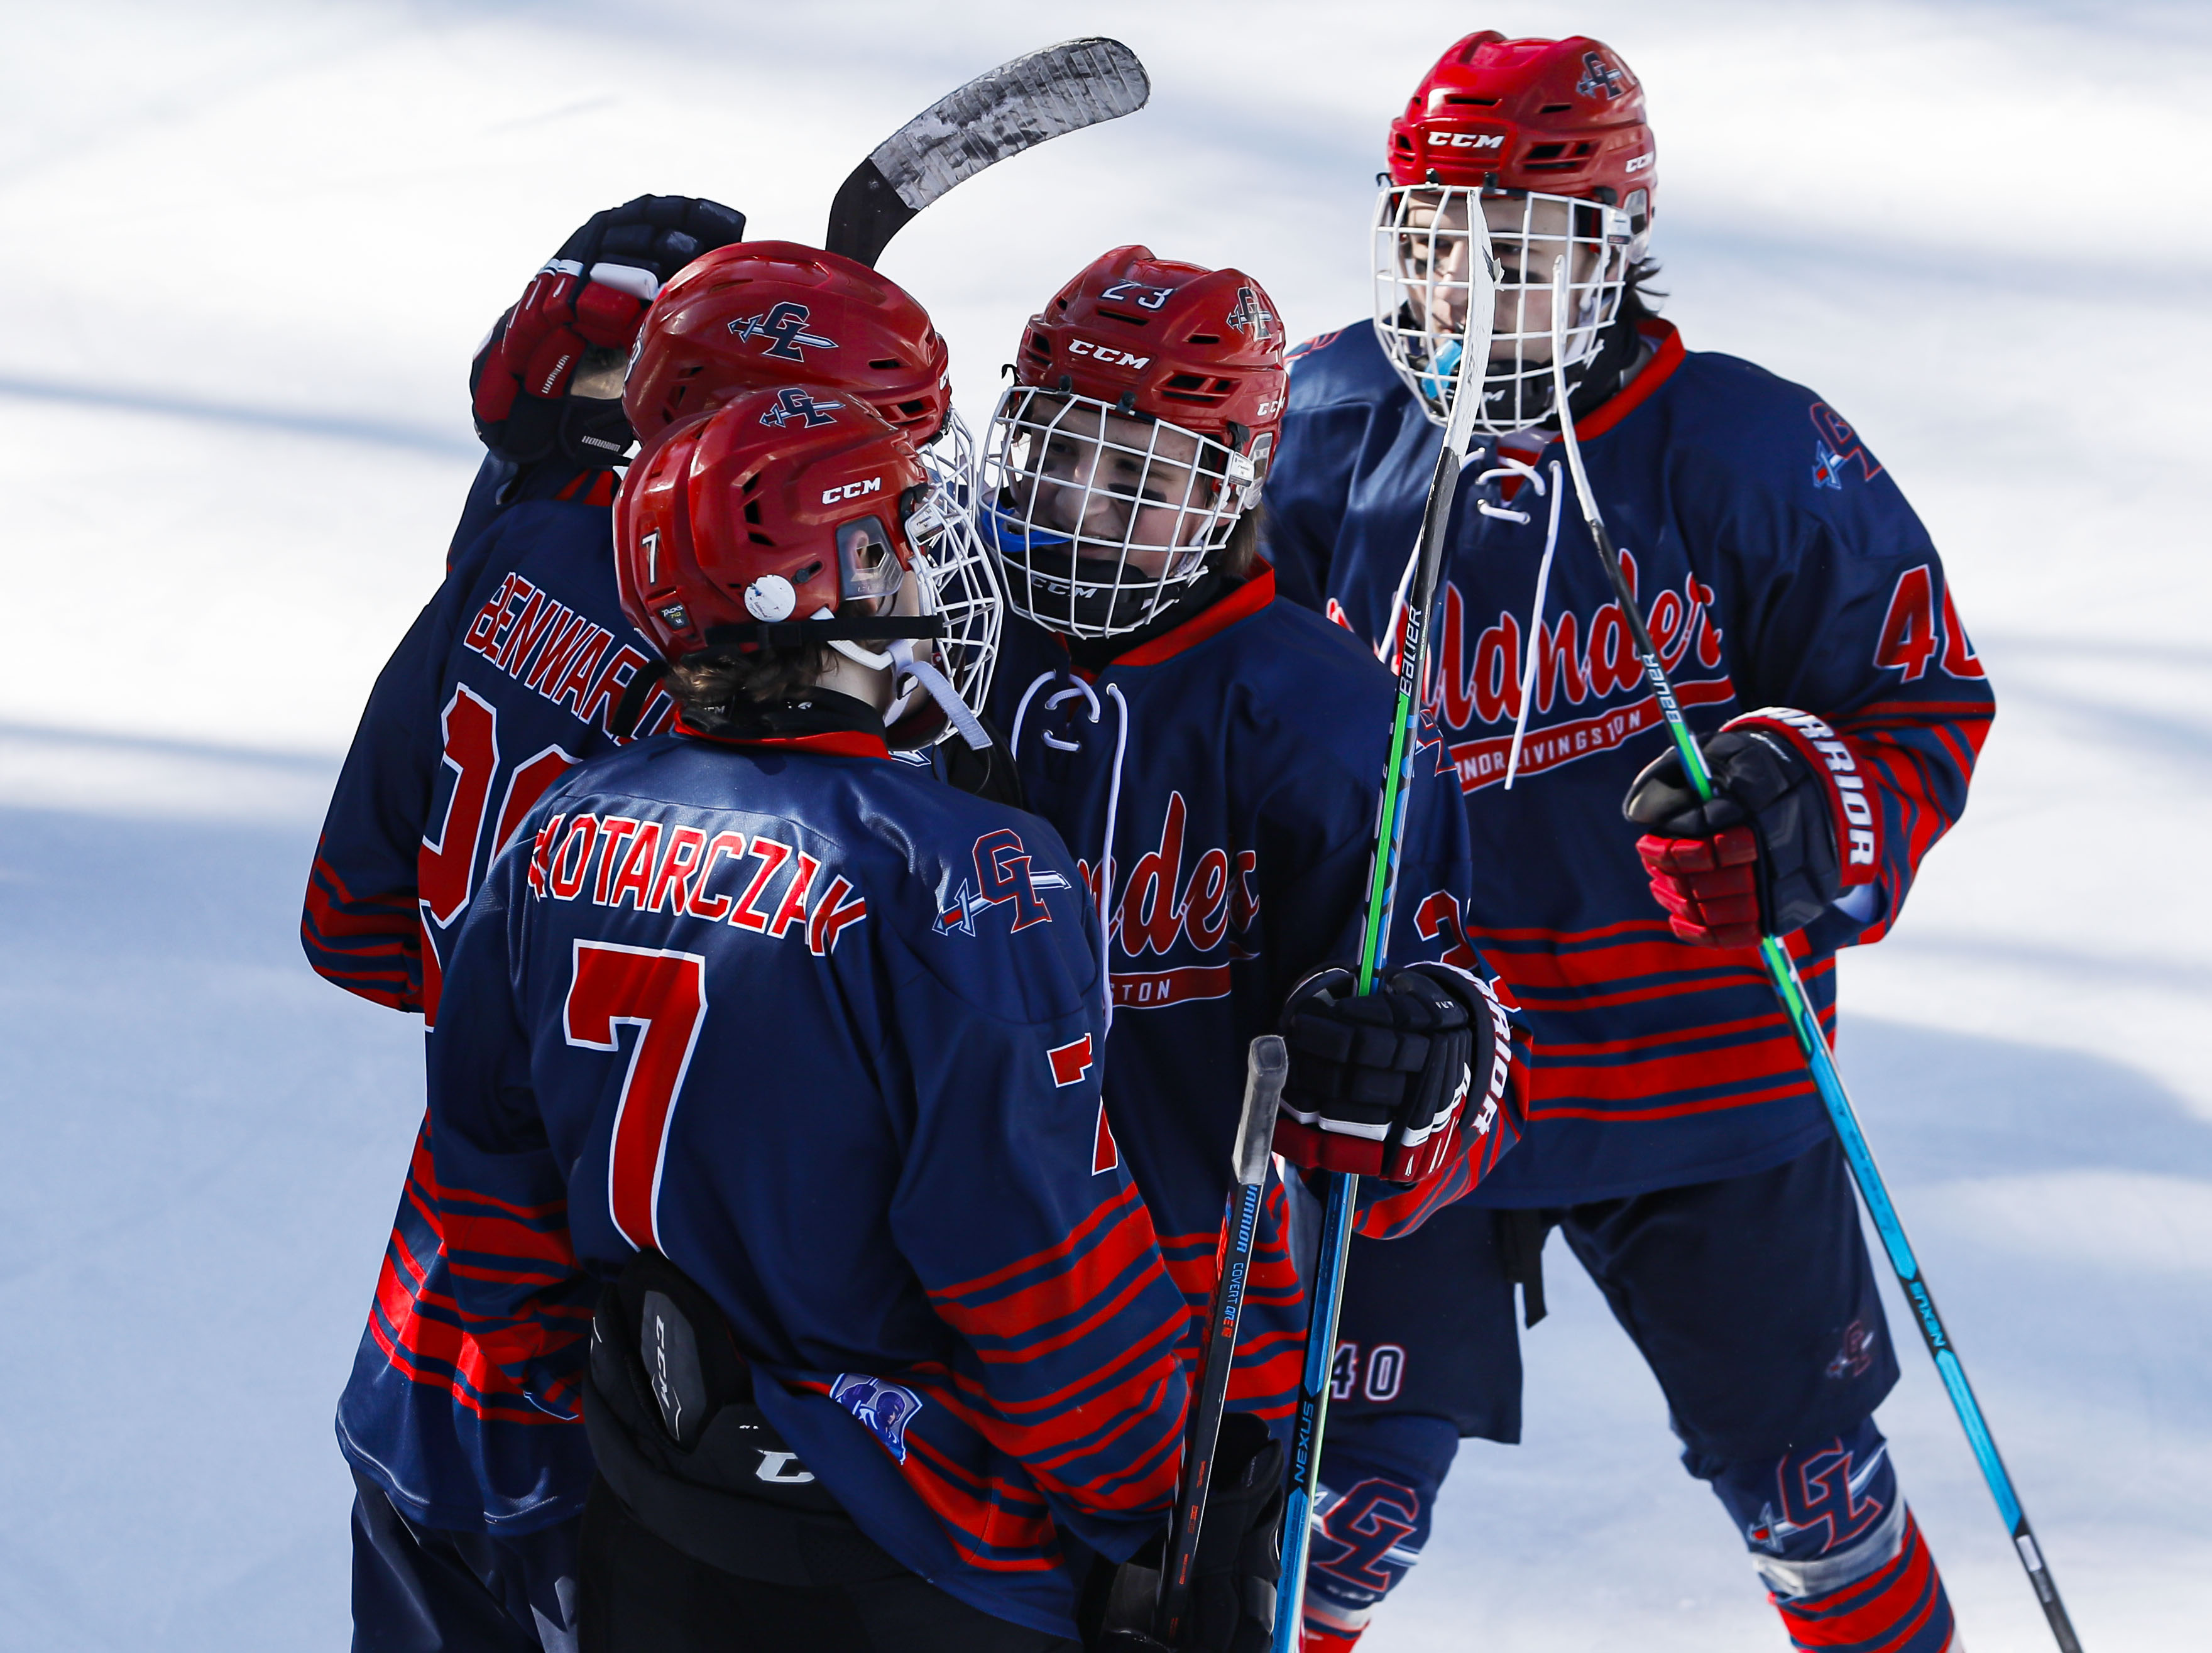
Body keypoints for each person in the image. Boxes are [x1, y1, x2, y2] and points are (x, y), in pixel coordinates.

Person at [1262, 32, 1993, 1653]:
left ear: (1616, 246)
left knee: (1814, 1490)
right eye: (1435, 239)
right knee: (1337, 1513)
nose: (1469, 282)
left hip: (1706, 1071)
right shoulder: (1310, 424)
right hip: (1408, 1073)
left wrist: (1805, 807)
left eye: (1520, 247)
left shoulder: (1748, 446)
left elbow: (1920, 692)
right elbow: (1199, 698)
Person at [306, 217, 1002, 1650]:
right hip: (624, 1405)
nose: (909, 515)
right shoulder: (788, 749)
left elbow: (355, 925)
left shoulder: (524, 550)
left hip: (430, 1319)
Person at [425, 388, 1195, 1650]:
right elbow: (1023, 1250)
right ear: (803, 584)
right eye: (888, 541)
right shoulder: (962, 867)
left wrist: (597, 1390)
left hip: (651, 1496)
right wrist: (1157, 1504)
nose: (921, 568)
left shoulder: (559, 825)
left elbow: (492, 1173)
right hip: (908, 1544)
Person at [974, 246, 1523, 1472]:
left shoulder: (1331, 721)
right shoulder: (938, 636)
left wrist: (1408, 1066)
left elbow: (1455, 1061)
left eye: (1138, 473)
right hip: (922, 1288)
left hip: (1189, 1325)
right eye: (1057, 449)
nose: (1079, 501)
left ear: (1234, 484)